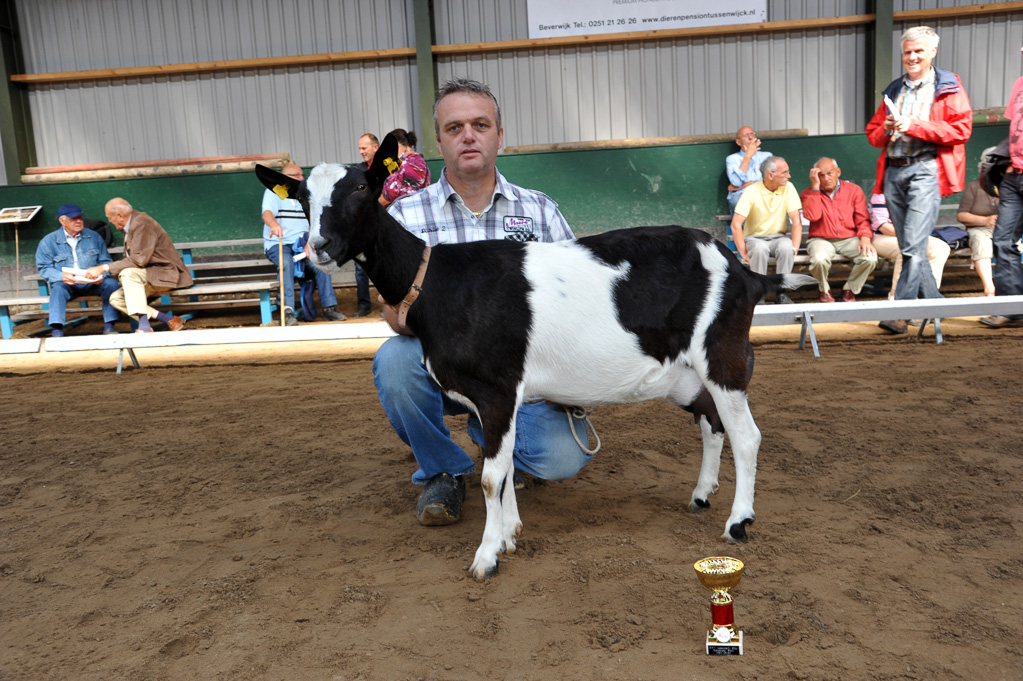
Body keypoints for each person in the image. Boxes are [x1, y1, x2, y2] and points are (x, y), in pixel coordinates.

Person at [373, 78, 592, 526]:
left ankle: (488, 431)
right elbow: (389, 307)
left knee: (560, 460)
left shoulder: (540, 211)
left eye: (480, 124)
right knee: (395, 361)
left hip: (525, 372)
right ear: (438, 141)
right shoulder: (404, 217)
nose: (468, 135)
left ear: (499, 135)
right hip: (443, 363)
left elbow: (580, 296)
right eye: (454, 128)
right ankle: (443, 469)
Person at [866, 25, 972, 334]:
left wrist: (915, 125)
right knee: (910, 245)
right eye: (907, 52)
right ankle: (936, 304)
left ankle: (902, 312)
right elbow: (873, 135)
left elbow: (960, 131)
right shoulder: (893, 89)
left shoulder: (949, 86)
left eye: (918, 51)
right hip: (893, 171)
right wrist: (885, 128)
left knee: (911, 246)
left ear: (932, 53)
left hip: (926, 171)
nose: (912, 57)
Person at [83, 198, 190, 333]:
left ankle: (144, 327)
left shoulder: (142, 224)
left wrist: (103, 268)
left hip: (165, 274)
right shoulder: (129, 225)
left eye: (109, 218)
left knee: (128, 273)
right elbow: (131, 261)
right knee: (116, 299)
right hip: (147, 275)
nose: (109, 221)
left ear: (120, 216)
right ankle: (170, 319)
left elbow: (138, 261)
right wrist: (104, 274)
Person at [261, 163, 346, 325]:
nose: (302, 178)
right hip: (279, 243)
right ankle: (287, 310)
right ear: (286, 178)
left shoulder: (306, 194)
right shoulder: (273, 192)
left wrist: (309, 244)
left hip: (304, 244)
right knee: (285, 263)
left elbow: (314, 222)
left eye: (302, 175)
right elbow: (267, 214)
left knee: (322, 261)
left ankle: (329, 308)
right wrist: (274, 225)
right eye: (297, 175)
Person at [982, 41, 1023, 328]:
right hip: (1014, 176)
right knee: (1003, 240)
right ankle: (1013, 307)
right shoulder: (1020, 84)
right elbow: (1014, 129)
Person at [35, 203, 121, 336]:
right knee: (57, 289)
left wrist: (101, 275)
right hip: (67, 283)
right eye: (73, 218)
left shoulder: (94, 237)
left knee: (111, 284)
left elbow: (106, 262)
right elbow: (44, 268)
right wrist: (61, 276)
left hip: (92, 282)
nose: (79, 221)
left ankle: (110, 326)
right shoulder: (48, 242)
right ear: (62, 221)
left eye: (80, 217)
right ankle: (57, 330)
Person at [800, 158, 877, 302]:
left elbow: (863, 220)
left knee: (870, 258)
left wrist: (866, 238)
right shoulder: (808, 193)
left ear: (838, 172)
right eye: (821, 175)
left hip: (849, 238)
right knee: (819, 260)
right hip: (820, 239)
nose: (826, 178)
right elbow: (813, 216)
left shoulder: (854, 190)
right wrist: (815, 187)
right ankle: (824, 289)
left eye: (830, 173)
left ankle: (850, 288)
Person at [729, 155, 802, 303]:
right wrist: (742, 250)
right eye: (784, 173)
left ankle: (781, 293)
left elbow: (796, 221)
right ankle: (759, 294)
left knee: (787, 247)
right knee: (759, 248)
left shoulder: (789, 188)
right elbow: (736, 224)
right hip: (755, 239)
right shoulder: (751, 191)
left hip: (778, 238)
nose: (789, 176)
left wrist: (795, 246)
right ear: (771, 175)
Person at [870, 192, 950, 302]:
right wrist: (912, 235)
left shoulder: (916, 194)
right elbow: (884, 227)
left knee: (941, 248)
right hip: (882, 238)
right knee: (907, 249)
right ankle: (896, 295)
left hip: (911, 236)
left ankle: (929, 294)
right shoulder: (880, 195)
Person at [956, 150, 1000, 297]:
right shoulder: (974, 186)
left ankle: (1010, 289)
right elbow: (961, 215)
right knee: (981, 242)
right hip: (979, 229)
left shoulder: (1009, 186)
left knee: (1012, 244)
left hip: (1004, 229)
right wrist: (985, 220)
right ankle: (989, 289)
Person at [378, 128, 431, 208]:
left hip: (404, 211)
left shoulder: (401, 164)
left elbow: (389, 195)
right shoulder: (420, 161)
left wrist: (368, 206)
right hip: (421, 209)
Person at [725, 126, 773, 214]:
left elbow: (772, 180)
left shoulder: (766, 156)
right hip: (742, 195)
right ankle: (744, 228)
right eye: (746, 135)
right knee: (739, 201)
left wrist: (743, 186)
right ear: (738, 142)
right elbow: (736, 182)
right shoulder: (732, 159)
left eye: (752, 134)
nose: (750, 137)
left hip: (763, 192)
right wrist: (747, 156)